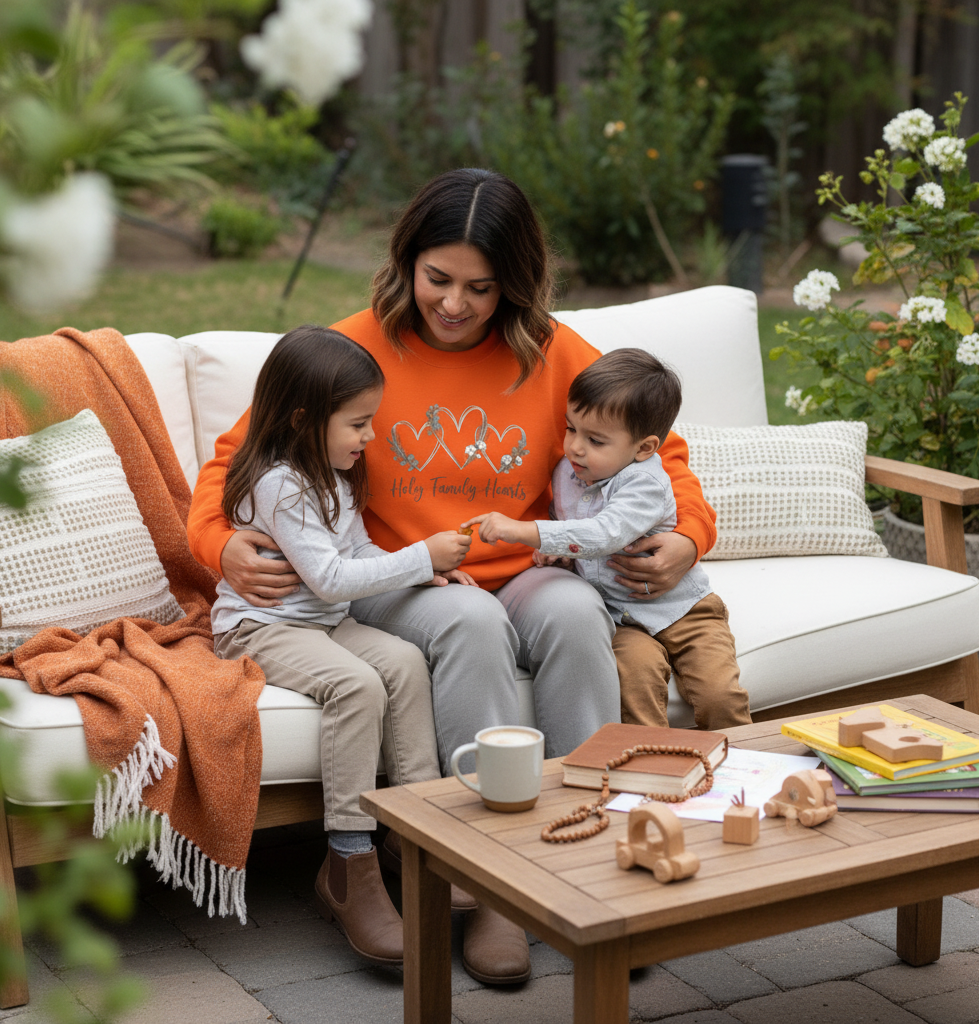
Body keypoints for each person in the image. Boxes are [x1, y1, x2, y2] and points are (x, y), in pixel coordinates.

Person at [188, 168, 717, 984]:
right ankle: (490, 879)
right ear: (407, 262)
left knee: (579, 613)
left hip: (522, 564)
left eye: (482, 286)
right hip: (399, 576)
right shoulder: (350, 347)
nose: (456, 304)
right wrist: (220, 546)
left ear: (516, 282)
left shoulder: (552, 350)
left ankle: (589, 851)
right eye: (438, 279)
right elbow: (238, 460)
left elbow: (659, 449)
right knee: (470, 624)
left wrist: (687, 533)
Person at [209, 325, 473, 966]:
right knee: (355, 684)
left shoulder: (331, 471)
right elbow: (328, 577)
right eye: (358, 423)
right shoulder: (280, 484)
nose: (370, 436)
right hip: (262, 625)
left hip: (323, 621)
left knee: (406, 663)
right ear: (304, 418)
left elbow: (354, 555)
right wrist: (421, 553)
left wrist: (421, 572)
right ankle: (349, 866)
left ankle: (420, 836)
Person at [464, 348, 750, 731]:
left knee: (719, 695)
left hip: (684, 611)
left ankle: (746, 766)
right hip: (621, 619)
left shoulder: (644, 483)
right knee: (635, 686)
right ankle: (652, 772)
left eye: (595, 440)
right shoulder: (569, 471)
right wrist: (559, 556)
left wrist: (523, 532)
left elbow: (603, 533)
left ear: (644, 448)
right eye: (571, 429)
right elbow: (567, 523)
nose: (575, 447)